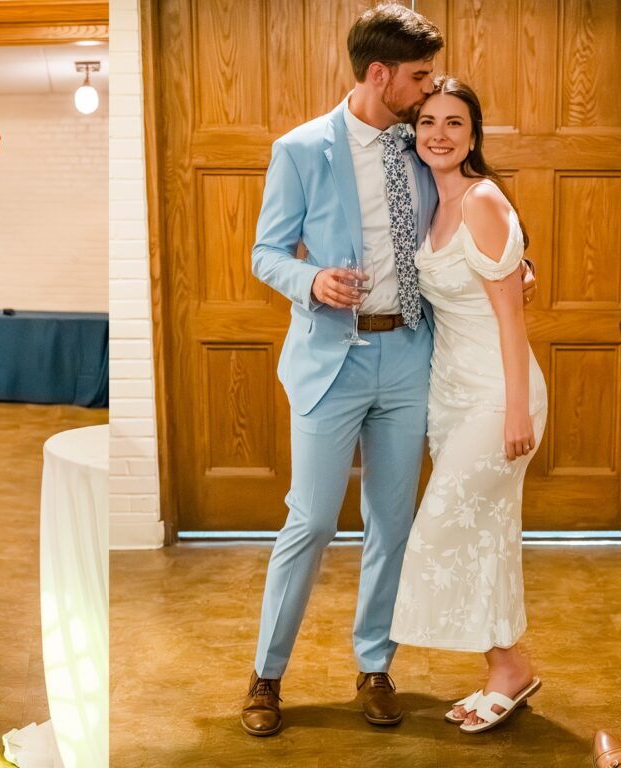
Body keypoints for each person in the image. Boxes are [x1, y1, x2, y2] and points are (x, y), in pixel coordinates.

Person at [241, 3, 443, 737]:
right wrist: (312, 279)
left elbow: (466, 214)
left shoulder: (426, 144)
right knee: (314, 519)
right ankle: (266, 675)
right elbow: (265, 253)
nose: (428, 90)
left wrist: (517, 263)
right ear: (379, 74)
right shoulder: (301, 149)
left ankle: (375, 664)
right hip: (332, 361)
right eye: (419, 77)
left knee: (393, 522)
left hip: (409, 357)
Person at [388, 76, 547, 734]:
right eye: (427, 121)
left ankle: (507, 665)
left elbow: (511, 319)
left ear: (473, 135)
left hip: (497, 393)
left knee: (442, 530)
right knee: (486, 533)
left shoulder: (482, 199)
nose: (439, 134)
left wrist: (516, 410)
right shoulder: (429, 203)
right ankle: (508, 669)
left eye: (454, 123)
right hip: (449, 394)